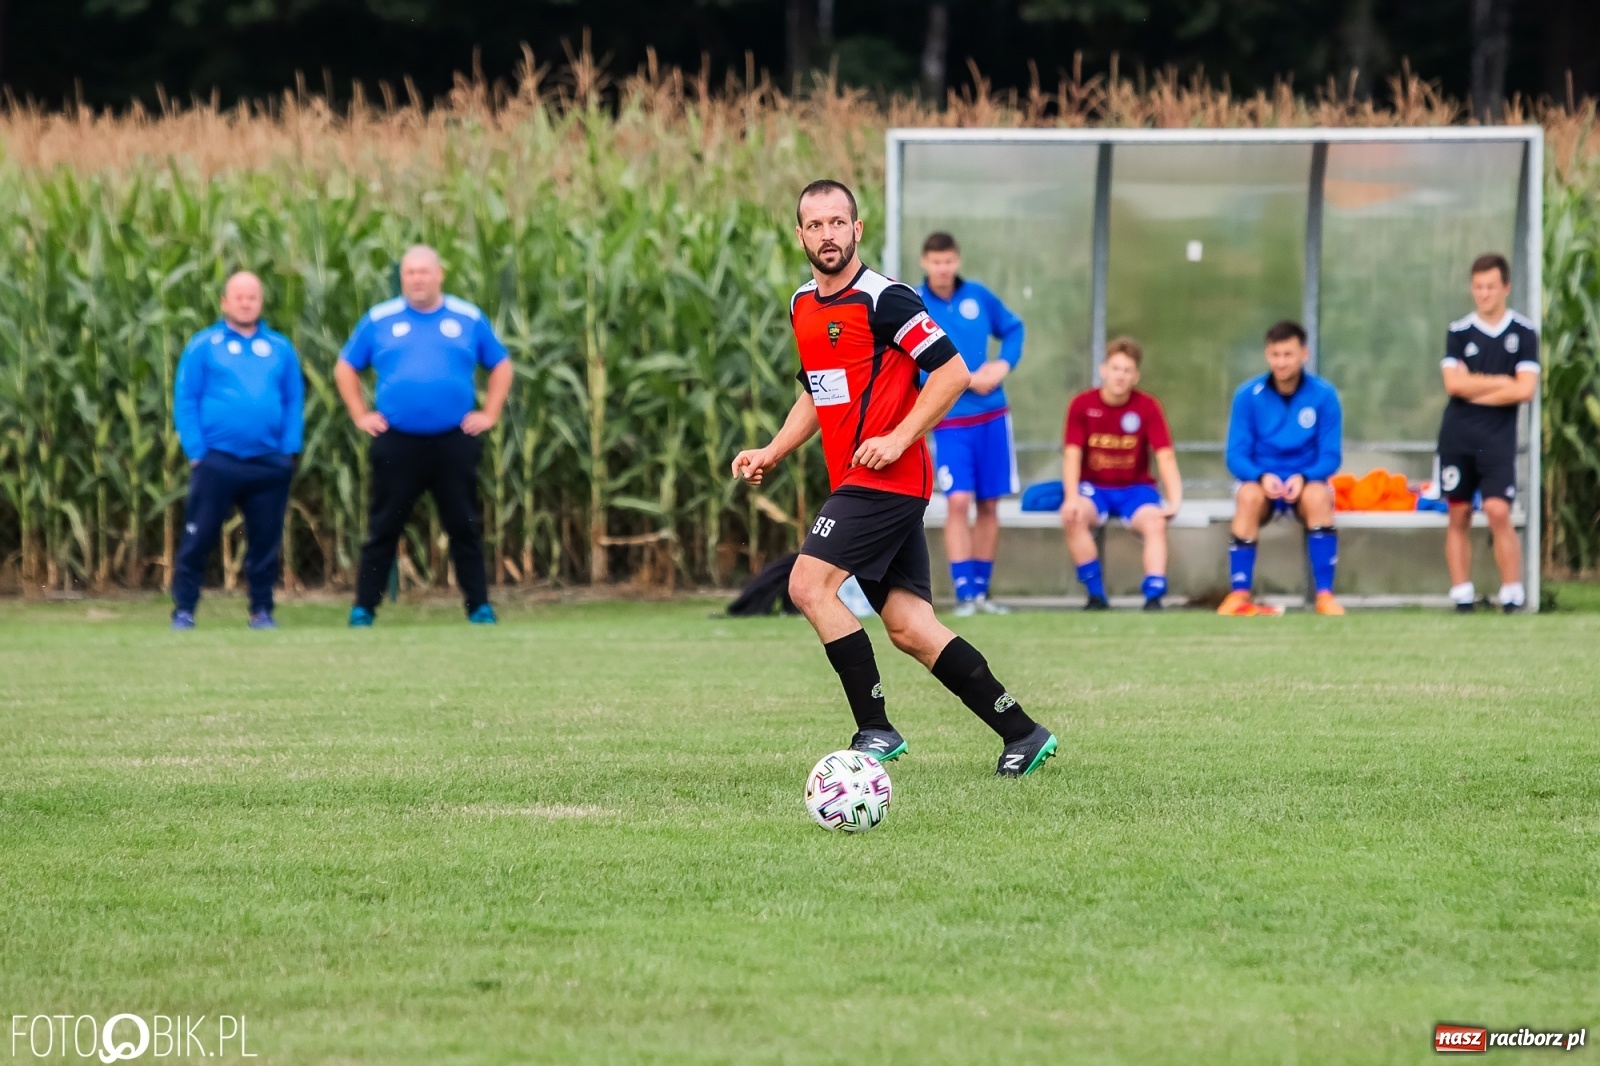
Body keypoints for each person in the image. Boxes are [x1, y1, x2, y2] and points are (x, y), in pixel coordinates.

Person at [731, 180, 1058, 777]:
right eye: (815, 224)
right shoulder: (804, 304)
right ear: (800, 235)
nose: (827, 234)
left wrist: (900, 436)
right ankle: (1022, 732)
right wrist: (773, 450)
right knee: (909, 627)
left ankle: (875, 730)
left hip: (888, 480)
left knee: (808, 586)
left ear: (857, 230)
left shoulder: (887, 299)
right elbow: (817, 391)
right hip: (859, 482)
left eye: (838, 222)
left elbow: (953, 373)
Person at [335, 245, 513, 627]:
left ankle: (479, 607)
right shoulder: (380, 319)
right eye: (410, 273)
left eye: (424, 272)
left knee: (464, 526)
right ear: (403, 278)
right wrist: (360, 415)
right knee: (384, 527)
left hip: (454, 441)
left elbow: (500, 364)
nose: (417, 279)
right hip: (398, 442)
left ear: (439, 274)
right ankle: (364, 607)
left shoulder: (467, 317)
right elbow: (346, 366)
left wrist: (490, 413)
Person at [171, 272, 304, 631]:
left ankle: (261, 610)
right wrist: (197, 450)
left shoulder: (279, 348)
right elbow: (186, 399)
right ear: (224, 302)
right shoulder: (204, 345)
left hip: (269, 463)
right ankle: (184, 610)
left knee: (265, 542)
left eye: (253, 296)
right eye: (239, 296)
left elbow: (294, 400)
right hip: (217, 460)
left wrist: (289, 449)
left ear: (261, 302)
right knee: (199, 538)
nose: (246, 302)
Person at [916, 232, 1024, 616]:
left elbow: (1014, 329)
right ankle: (963, 594)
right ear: (924, 263)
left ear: (957, 261)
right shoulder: (916, 304)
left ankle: (981, 592)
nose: (943, 269)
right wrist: (959, 379)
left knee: (989, 504)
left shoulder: (977, 296)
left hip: (993, 417)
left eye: (948, 261)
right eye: (935, 262)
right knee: (958, 501)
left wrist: (1002, 365)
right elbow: (909, 365)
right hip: (950, 420)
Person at [1218, 320, 1345, 617]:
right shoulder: (1247, 395)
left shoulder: (1324, 396)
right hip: (1263, 482)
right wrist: (1260, 477)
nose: (1281, 362)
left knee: (1318, 496)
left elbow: (1331, 456)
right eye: (1275, 355)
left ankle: (1325, 596)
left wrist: (1305, 477)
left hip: (1304, 481)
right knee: (1247, 496)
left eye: (1288, 354)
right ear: (1267, 355)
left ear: (1304, 354)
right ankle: (1239, 594)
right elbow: (1235, 456)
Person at [1437, 253, 1539, 613]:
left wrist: (1474, 384)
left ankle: (1512, 593)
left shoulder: (1523, 333)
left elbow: (1525, 390)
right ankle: (1462, 593)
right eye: (1478, 287)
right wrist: (1499, 382)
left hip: (1498, 437)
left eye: (1491, 287)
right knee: (1459, 513)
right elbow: (1453, 386)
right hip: (1457, 435)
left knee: (1498, 510)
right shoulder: (1458, 331)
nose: (1484, 294)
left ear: (1506, 287)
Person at [1060, 337, 1182, 611]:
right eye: (1115, 368)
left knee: (1156, 523)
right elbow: (1071, 455)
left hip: (1135, 490)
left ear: (1135, 376)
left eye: (1127, 370)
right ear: (1103, 369)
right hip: (1094, 489)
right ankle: (1096, 595)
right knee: (1073, 515)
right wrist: (1070, 497)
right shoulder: (1081, 404)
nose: (1120, 376)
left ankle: (1153, 596)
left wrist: (1174, 501)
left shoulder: (1148, 407)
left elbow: (1165, 456)